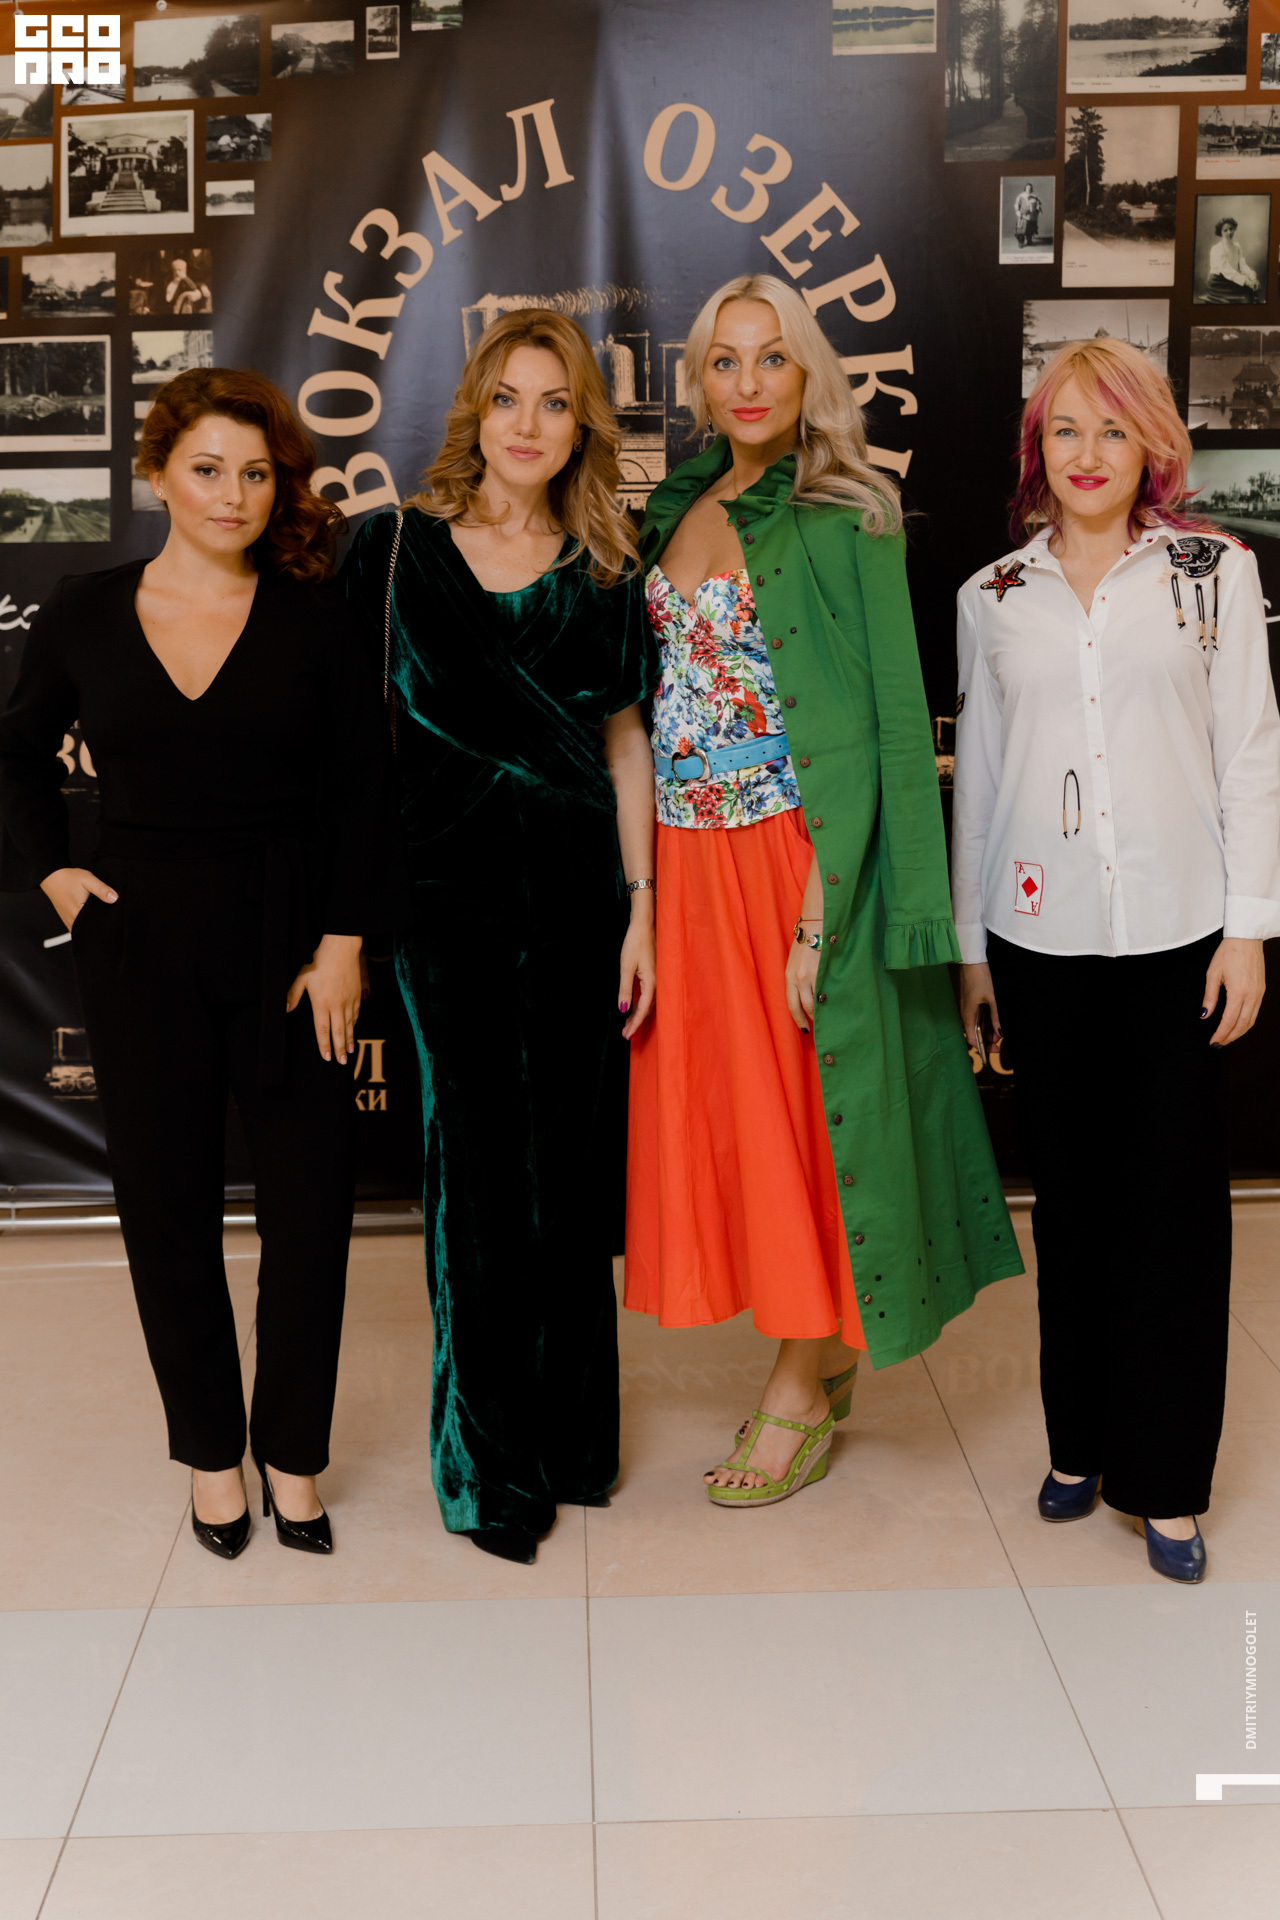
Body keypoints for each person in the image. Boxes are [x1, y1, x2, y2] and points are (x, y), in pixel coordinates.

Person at [625, 273, 1020, 1508]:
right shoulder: (673, 506)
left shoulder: (853, 509)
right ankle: (815, 1347)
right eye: (723, 361)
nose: (747, 383)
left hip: (795, 859)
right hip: (688, 859)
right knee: (745, 1118)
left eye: (771, 358)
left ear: (808, 376)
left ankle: (801, 1380)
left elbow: (896, 726)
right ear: (698, 382)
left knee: (816, 1119)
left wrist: (825, 913)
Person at [0, 367, 391, 1561]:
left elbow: (362, 792)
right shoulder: (83, 608)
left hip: (291, 944)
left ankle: (293, 1456)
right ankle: (213, 1459)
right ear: (157, 473)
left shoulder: (316, 617)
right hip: (142, 946)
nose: (233, 494)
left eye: (257, 474)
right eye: (208, 469)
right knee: (164, 1213)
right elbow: (15, 758)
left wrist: (342, 944)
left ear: (280, 488)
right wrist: (59, 877)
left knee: (308, 1216)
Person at [953, 336, 1280, 1583]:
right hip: (1036, 942)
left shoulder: (1213, 573)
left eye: (1111, 429)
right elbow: (980, 780)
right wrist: (972, 951)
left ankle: (1166, 1482)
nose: (1086, 454)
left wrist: (1246, 926)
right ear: (1035, 448)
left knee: (1174, 1214)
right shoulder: (992, 594)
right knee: (1072, 1202)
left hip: (1180, 940)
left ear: (1151, 445)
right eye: (1063, 430)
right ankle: (1078, 1443)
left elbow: (1249, 750)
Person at [342, 310, 658, 1567]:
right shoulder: (394, 553)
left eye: (555, 402)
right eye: (509, 398)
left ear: (582, 426)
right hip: (446, 910)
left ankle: (572, 1439)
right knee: (474, 1184)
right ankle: (489, 1468)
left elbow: (626, 745)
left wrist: (642, 909)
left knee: (571, 1178)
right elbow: (352, 751)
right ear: (476, 410)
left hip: (580, 904)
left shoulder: (605, 566)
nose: (529, 424)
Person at [1205, 216, 1261, 304]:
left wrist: (1253, 278)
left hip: (1230, 279)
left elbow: (1243, 266)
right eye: (1225, 230)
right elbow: (1227, 271)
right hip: (1217, 283)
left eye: (1231, 229)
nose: (1229, 232)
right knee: (1247, 293)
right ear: (1221, 232)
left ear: (1234, 229)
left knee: (1253, 289)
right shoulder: (1217, 249)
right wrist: (1248, 282)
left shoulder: (1237, 246)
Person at [1014, 182, 1042, 248]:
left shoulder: (1034, 196)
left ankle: (1029, 239)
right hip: (1023, 215)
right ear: (1025, 188)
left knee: (1031, 228)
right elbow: (1016, 205)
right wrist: (1018, 212)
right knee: (1021, 229)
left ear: (1032, 189)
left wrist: (1038, 207)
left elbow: (1038, 203)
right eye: (1027, 188)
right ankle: (1021, 241)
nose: (1029, 189)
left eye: (1030, 188)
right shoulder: (1021, 196)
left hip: (1032, 216)